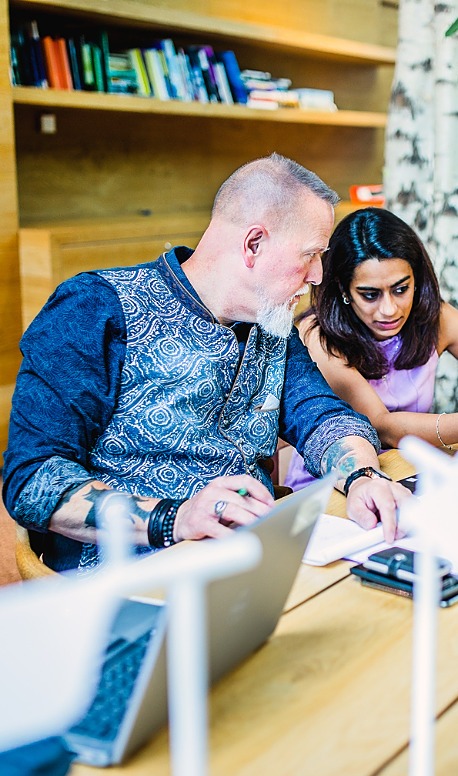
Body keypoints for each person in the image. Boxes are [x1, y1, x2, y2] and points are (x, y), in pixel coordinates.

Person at [2, 155, 409, 573]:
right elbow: (33, 477)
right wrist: (175, 519)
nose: (319, 275)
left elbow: (319, 415)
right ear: (254, 244)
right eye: (310, 255)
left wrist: (363, 476)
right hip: (129, 582)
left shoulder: (270, 321)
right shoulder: (93, 310)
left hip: (252, 564)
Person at [285, 206, 458, 490]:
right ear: (343, 289)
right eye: (370, 295)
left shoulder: (436, 318)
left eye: (400, 289)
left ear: (416, 280)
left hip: (411, 473)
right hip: (336, 488)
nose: (389, 309)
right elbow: (382, 427)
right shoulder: (320, 337)